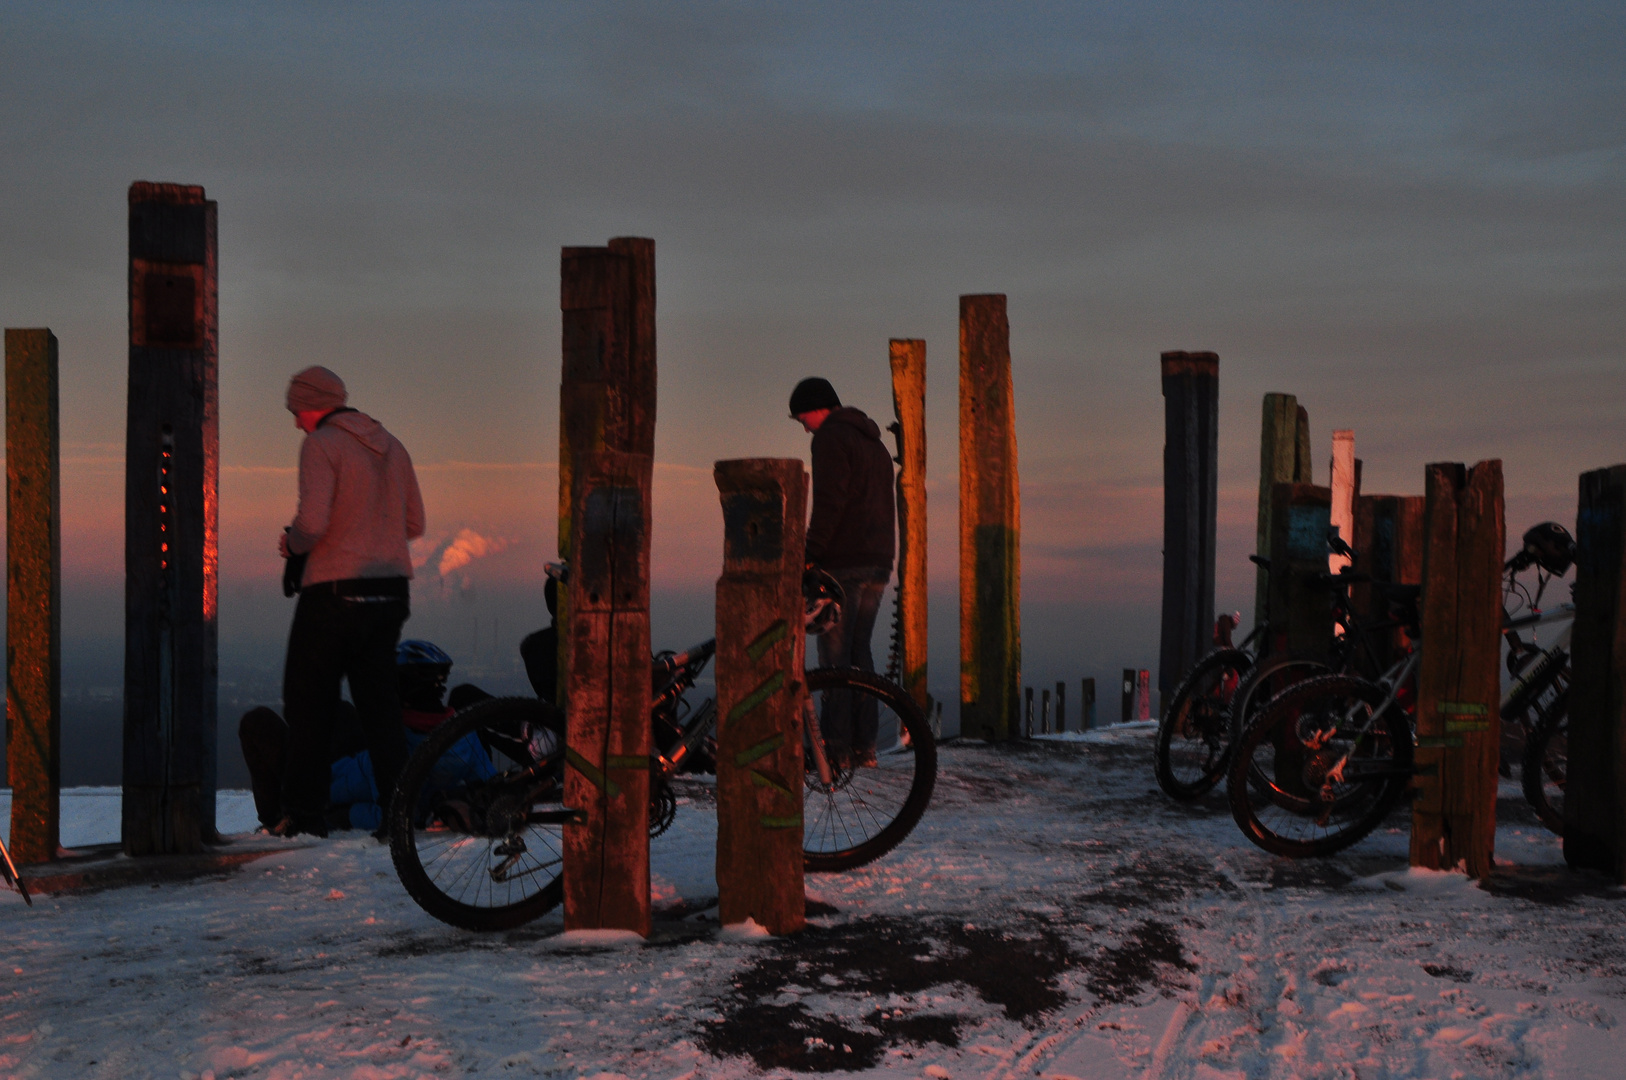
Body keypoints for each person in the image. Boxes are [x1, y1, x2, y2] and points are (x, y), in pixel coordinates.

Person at [275, 365, 425, 837]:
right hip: (390, 592)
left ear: (312, 404)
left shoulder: (321, 445)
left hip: (335, 594)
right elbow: (415, 524)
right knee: (380, 709)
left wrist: (292, 543)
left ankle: (304, 816)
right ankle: (401, 816)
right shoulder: (394, 447)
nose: (297, 422)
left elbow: (313, 524)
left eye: (297, 411)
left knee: (307, 703)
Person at [240, 640, 495, 833]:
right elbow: (490, 784)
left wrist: (339, 816)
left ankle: (276, 821)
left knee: (257, 722)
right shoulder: (465, 737)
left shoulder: (394, 748)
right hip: (345, 770)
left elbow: (386, 815)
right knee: (340, 711)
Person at [788, 376, 896, 766]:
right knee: (859, 654)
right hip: (879, 562)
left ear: (818, 408)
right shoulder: (876, 445)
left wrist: (809, 554)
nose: (804, 426)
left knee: (834, 661)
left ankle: (836, 750)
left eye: (802, 417)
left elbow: (830, 503)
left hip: (843, 564)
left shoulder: (831, 439)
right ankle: (864, 746)